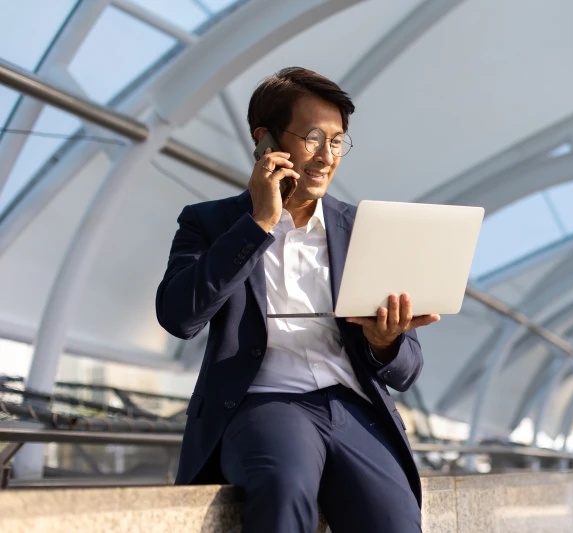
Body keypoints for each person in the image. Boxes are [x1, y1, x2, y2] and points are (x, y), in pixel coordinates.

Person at [155, 67, 439, 533]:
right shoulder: (208, 223)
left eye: (337, 141)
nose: (326, 156)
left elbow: (407, 371)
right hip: (264, 402)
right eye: (312, 138)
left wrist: (385, 342)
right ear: (265, 140)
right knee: (283, 489)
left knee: (396, 520)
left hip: (354, 408)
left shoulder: (364, 229)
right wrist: (258, 224)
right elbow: (178, 316)